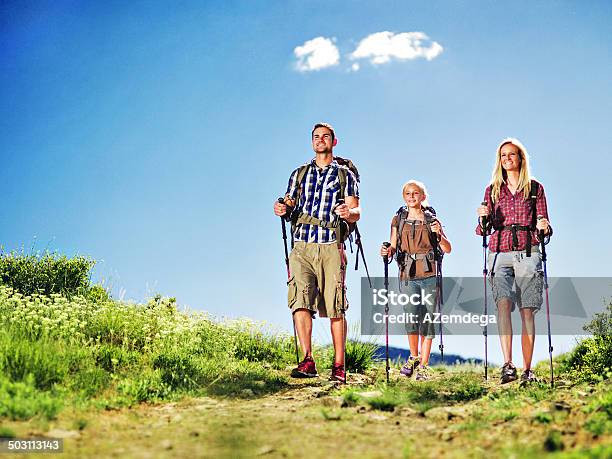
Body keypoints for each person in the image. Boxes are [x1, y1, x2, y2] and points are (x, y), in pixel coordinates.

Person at [273, 122, 360, 383]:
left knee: (335, 306)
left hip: (331, 244)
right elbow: (289, 202)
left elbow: (356, 211)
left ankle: (338, 366)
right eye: (316, 137)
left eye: (325, 137)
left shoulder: (345, 175)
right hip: (301, 245)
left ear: (334, 142)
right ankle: (307, 360)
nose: (320, 140)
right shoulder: (299, 174)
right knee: (300, 300)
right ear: (312, 142)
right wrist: (282, 208)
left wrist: (349, 214)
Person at [476, 138, 552, 384]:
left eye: (512, 155)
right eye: (503, 156)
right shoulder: (493, 189)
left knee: (527, 309)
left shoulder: (535, 188)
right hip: (499, 250)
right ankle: (508, 365)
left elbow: (545, 225)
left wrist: (544, 226)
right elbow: (484, 229)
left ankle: (527, 369)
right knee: (503, 306)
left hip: (528, 250)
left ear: (521, 158)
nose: (507, 159)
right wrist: (483, 218)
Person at [380, 180, 451, 381]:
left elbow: (447, 248)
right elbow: (393, 247)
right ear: (404, 196)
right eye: (408, 193)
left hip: (429, 274)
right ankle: (413, 357)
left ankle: (424, 365)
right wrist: (387, 251)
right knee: (411, 318)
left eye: (416, 193)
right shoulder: (398, 219)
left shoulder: (431, 219)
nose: (412, 197)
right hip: (408, 275)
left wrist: (439, 235)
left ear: (422, 196)